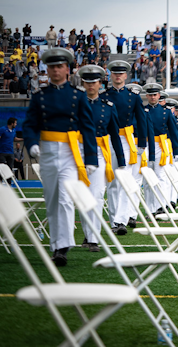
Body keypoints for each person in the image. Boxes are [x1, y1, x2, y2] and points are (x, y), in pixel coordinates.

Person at [22, 48, 98, 267]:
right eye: (52, 67)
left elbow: (88, 127)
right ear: (47, 69)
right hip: (46, 151)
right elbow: (30, 124)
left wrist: (91, 158)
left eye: (60, 66)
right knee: (53, 199)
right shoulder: (39, 97)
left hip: (69, 152)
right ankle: (56, 245)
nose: (56, 70)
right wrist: (32, 144)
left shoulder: (78, 95)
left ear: (67, 69)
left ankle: (62, 247)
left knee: (65, 198)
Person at [78, 65, 125, 251]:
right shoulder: (76, 104)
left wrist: (120, 160)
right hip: (77, 150)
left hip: (98, 152)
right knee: (82, 196)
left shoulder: (107, 107)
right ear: (83, 83)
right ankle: (88, 233)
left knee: (97, 195)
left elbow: (114, 134)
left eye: (95, 82)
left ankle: (93, 238)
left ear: (100, 83)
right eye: (88, 82)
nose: (91, 86)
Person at [101, 60, 149, 233]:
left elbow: (142, 119)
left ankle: (120, 221)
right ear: (111, 75)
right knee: (112, 182)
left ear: (126, 75)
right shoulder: (104, 96)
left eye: (121, 73)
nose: (118, 76)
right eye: (115, 73)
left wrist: (142, 143)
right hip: (108, 140)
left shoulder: (133, 97)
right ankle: (115, 220)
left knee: (124, 180)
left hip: (126, 141)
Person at [142, 83, 178, 214]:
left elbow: (174, 132)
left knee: (161, 176)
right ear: (146, 95)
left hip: (160, 146)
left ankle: (161, 206)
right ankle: (150, 209)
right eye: (150, 95)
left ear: (159, 95)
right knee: (147, 179)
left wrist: (177, 151)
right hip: (145, 146)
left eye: (155, 95)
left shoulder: (166, 112)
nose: (152, 97)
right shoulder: (142, 110)